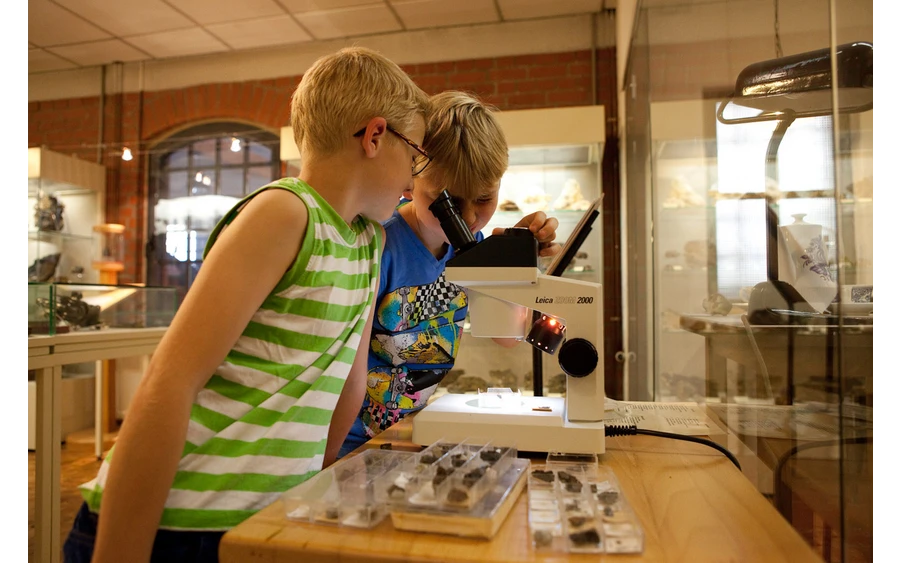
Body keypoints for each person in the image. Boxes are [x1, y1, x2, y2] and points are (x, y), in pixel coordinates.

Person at [62, 46, 430, 563]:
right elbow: (170, 381)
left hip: (262, 522)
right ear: (374, 136)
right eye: (413, 156)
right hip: (174, 520)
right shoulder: (285, 212)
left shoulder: (368, 242)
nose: (413, 179)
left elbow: (348, 388)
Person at [337, 90, 561, 458]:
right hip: (351, 442)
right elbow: (347, 376)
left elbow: (508, 338)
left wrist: (513, 263)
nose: (469, 218)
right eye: (449, 203)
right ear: (410, 180)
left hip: (409, 434)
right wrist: (329, 462)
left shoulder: (470, 246)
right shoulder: (380, 246)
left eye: (484, 198)